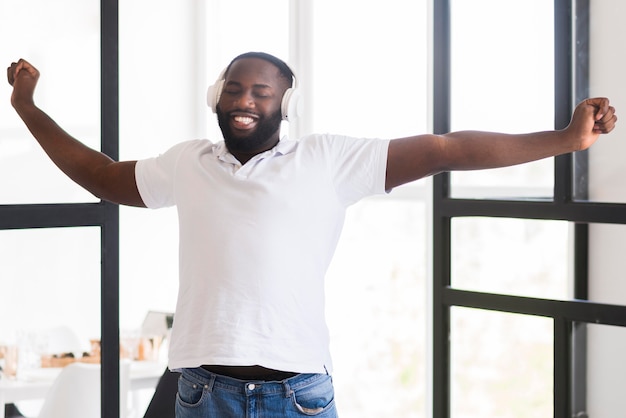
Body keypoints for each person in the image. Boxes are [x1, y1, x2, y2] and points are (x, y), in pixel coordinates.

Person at [6, 52, 617, 418]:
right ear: (217, 98)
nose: (245, 99)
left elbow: (444, 149)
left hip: (295, 395)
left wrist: (564, 140)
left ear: (283, 105)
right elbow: (103, 177)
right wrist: (28, 108)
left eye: (261, 92)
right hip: (199, 391)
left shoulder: (326, 161)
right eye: (234, 89)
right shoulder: (186, 163)